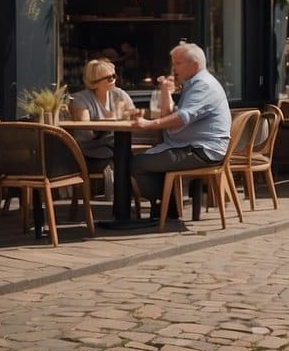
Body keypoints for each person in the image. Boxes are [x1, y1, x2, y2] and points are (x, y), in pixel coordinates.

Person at [131, 42, 231, 219]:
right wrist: (165, 91)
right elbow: (169, 116)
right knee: (145, 161)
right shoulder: (193, 84)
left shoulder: (203, 85)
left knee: (137, 163)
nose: (173, 68)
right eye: (173, 63)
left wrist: (148, 124)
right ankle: (167, 208)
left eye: (178, 63)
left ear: (194, 65)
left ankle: (165, 207)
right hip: (190, 146)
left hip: (201, 150)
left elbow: (181, 118)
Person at [69, 57, 136, 173]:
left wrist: (127, 114)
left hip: (113, 147)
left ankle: (123, 190)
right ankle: (118, 189)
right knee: (123, 160)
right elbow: (86, 128)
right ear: (94, 83)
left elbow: (134, 116)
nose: (114, 80)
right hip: (89, 152)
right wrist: (114, 116)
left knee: (128, 159)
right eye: (109, 78)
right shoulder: (81, 99)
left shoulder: (119, 94)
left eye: (114, 76)